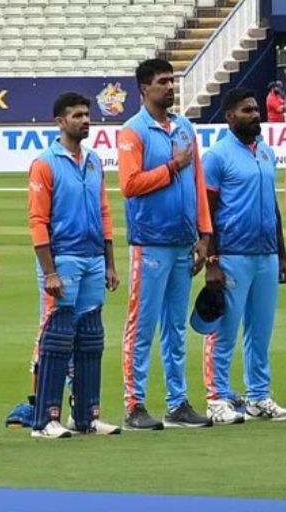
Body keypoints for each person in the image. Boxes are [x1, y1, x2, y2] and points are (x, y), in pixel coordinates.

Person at [118, 59, 213, 430]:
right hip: (150, 241)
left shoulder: (185, 127)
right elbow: (130, 185)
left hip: (182, 242)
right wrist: (171, 167)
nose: (170, 87)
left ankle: (178, 402)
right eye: (163, 82)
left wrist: (204, 234)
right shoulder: (133, 131)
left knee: (175, 327)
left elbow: (198, 182)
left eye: (172, 81)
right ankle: (134, 404)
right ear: (145, 88)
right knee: (141, 326)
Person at [25, 93, 123, 438]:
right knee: (58, 336)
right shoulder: (45, 163)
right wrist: (49, 271)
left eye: (87, 115)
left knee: (91, 337)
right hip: (63, 257)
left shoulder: (94, 161)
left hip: (93, 257)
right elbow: (38, 220)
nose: (85, 121)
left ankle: (86, 416)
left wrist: (110, 263)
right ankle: (44, 419)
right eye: (77, 115)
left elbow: (104, 213)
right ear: (60, 122)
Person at [202, 88, 286, 422]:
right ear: (229, 116)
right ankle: (216, 398)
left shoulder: (266, 152)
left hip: (265, 254)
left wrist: (281, 255)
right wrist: (211, 261)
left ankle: (258, 396)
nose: (255, 115)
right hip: (232, 254)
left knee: (261, 332)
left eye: (256, 109)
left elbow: (272, 206)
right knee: (224, 330)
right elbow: (207, 211)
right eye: (247, 110)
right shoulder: (217, 156)